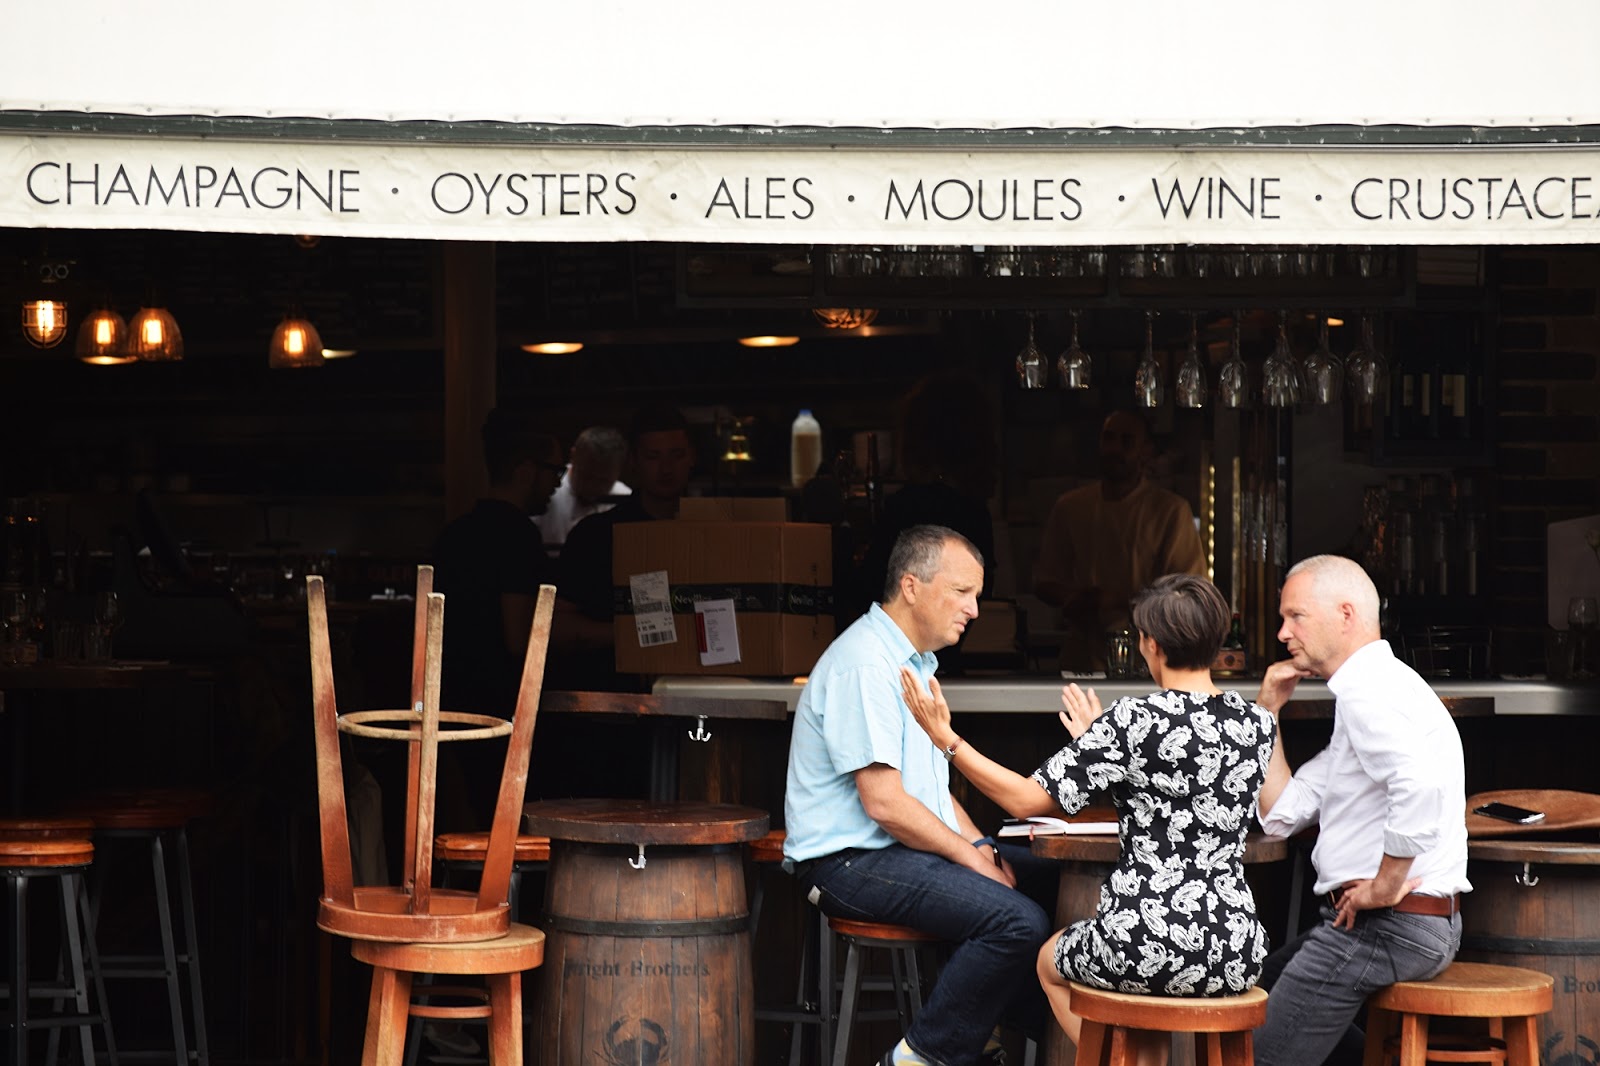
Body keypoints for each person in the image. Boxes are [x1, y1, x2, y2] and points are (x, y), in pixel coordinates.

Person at [901, 573, 1277, 1066]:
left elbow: (1024, 801)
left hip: (1143, 939)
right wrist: (1096, 743)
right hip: (1236, 947)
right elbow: (1182, 775)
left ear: (1151, 643)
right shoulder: (1256, 723)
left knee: (1048, 962)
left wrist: (946, 739)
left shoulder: (1135, 720)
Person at [783, 524, 1051, 1066]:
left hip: (897, 849)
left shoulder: (915, 663)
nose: (975, 609)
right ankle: (922, 1057)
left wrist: (983, 847)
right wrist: (971, 859)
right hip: (846, 861)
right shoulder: (866, 664)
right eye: (962, 592)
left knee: (1052, 877)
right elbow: (885, 804)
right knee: (1016, 921)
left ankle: (999, 1033)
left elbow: (930, 790)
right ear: (911, 586)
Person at [1250, 554, 1469, 1066]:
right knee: (1255, 993)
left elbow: (1418, 786)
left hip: (1389, 924)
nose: (1282, 633)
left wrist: (1385, 884)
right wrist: (1267, 714)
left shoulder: (1369, 692)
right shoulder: (1370, 691)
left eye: (1295, 616)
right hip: (1393, 926)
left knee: (1253, 1053)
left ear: (1345, 614)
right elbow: (1282, 812)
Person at [1033, 409, 1207, 671]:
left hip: (1149, 660)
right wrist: (1074, 598)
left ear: (1146, 451)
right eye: (1109, 439)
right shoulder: (1071, 507)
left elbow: (1189, 592)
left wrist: (1117, 599)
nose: (1115, 449)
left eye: (1127, 441)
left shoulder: (1170, 511)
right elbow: (1044, 581)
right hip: (1083, 660)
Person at [855, 371, 999, 673]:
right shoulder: (972, 511)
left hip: (894, 667)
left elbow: (871, 588)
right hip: (934, 668)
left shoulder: (905, 507)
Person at [554, 404, 695, 690]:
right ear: (633, 461)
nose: (666, 468)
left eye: (676, 455)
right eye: (653, 456)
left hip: (702, 690)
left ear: (693, 458)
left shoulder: (713, 532)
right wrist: (634, 636)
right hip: (609, 696)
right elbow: (556, 628)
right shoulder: (596, 535)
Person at [533, 425, 631, 551]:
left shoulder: (625, 499)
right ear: (573, 456)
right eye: (587, 477)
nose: (593, 487)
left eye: (603, 480)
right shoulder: (545, 492)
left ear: (620, 470)